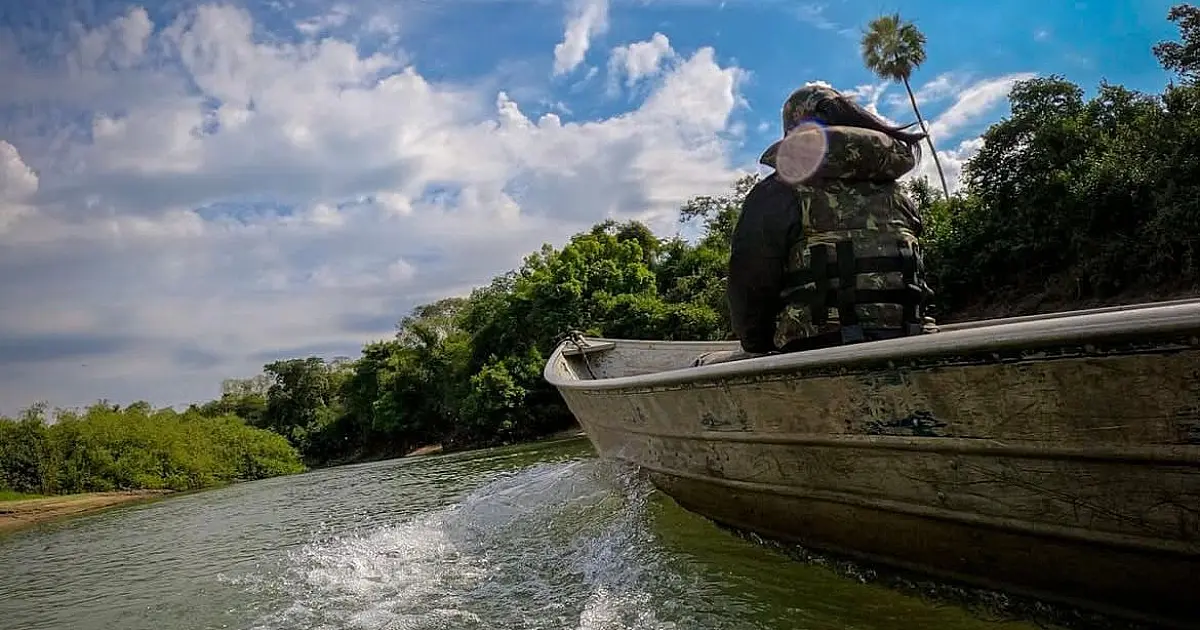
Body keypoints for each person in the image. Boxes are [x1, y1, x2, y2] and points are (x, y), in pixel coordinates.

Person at [726, 83, 937, 357]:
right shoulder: (899, 195)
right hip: (915, 342)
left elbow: (750, 290)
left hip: (815, 350)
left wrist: (758, 347)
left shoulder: (778, 192)